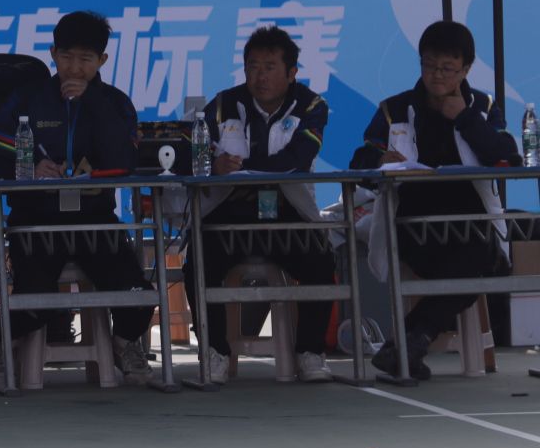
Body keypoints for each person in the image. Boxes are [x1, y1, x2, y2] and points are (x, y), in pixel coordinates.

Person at [0, 10, 155, 387]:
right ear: (52, 54)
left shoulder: (114, 103)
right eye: (66, 57)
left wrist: (92, 102)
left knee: (139, 295)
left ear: (102, 60)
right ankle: (0, 339)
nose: (75, 68)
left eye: (86, 59)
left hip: (95, 221)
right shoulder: (26, 99)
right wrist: (30, 168)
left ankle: (124, 344)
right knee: (37, 301)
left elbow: (125, 162)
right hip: (36, 221)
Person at [350, 20, 518, 381]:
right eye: (429, 66)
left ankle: (407, 343)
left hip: (470, 227)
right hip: (413, 227)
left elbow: (506, 157)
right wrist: (379, 160)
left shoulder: (482, 106)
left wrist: (465, 118)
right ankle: (411, 341)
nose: (437, 76)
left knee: (477, 259)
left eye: (447, 68)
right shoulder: (395, 109)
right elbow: (359, 162)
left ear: (466, 69)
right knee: (475, 267)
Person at [195, 26, 335, 383]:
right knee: (198, 261)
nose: (260, 76)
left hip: (288, 211)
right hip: (231, 212)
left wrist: (242, 165)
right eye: (253, 67)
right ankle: (214, 352)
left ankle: (310, 352)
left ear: (291, 72)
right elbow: (190, 150)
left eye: (270, 67)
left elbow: (298, 158)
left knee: (321, 261)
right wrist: (213, 165)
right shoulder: (223, 104)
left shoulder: (312, 106)